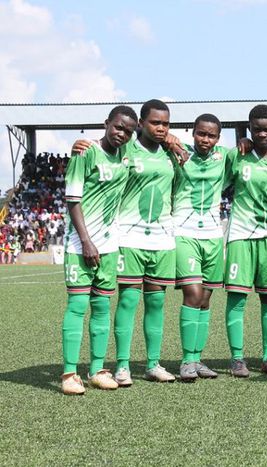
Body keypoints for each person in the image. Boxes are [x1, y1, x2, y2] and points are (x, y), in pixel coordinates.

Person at [59, 105, 138, 395]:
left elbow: (155, 140)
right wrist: (86, 241)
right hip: (81, 243)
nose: (122, 134)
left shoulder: (127, 154)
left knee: (102, 306)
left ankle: (97, 370)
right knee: (78, 305)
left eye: (128, 131)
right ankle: (69, 374)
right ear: (106, 123)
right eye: (118, 127)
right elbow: (73, 199)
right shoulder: (86, 153)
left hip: (110, 244)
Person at [111, 99, 179, 385]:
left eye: (166, 124)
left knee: (157, 303)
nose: (161, 128)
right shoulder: (126, 149)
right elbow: (103, 149)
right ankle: (122, 366)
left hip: (163, 238)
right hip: (130, 236)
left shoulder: (172, 154)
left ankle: (153, 364)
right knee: (128, 300)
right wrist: (84, 144)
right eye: (155, 122)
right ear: (141, 123)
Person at [224, 104, 267, 377]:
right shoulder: (236, 155)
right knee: (237, 297)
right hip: (240, 234)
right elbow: (217, 179)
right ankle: (237, 359)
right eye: (256, 129)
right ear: (249, 128)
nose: (262, 134)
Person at [172, 113, 228, 382]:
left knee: (205, 299)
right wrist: (169, 139)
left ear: (218, 138)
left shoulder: (225, 157)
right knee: (192, 294)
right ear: (192, 133)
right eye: (201, 134)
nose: (206, 139)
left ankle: (196, 358)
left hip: (214, 235)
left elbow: (256, 150)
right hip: (184, 233)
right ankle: (186, 360)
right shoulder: (178, 153)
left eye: (211, 135)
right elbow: (154, 137)